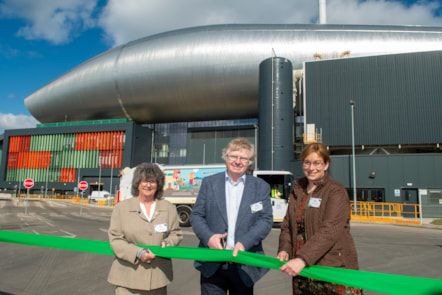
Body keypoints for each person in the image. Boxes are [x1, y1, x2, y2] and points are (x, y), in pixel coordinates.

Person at [190, 137, 273, 295]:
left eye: (243, 158)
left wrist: (244, 243)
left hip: (244, 262)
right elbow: (197, 216)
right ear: (226, 158)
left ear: (250, 162)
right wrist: (209, 238)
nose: (238, 161)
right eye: (233, 156)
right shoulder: (209, 183)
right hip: (212, 263)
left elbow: (265, 220)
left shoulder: (260, 187)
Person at [277, 143, 363, 295]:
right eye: (307, 163)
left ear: (326, 164)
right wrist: (285, 248)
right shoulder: (298, 189)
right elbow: (287, 225)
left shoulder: (335, 191)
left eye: (317, 163)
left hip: (332, 267)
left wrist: (302, 259)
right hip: (303, 270)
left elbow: (330, 230)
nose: (311, 168)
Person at [108, 162, 183, 295]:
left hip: (157, 279)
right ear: (137, 183)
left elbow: (176, 233)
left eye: (152, 181)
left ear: (158, 185)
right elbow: (115, 239)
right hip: (128, 279)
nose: (148, 185)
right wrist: (138, 253)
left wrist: (169, 242)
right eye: (144, 181)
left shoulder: (168, 208)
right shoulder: (122, 208)